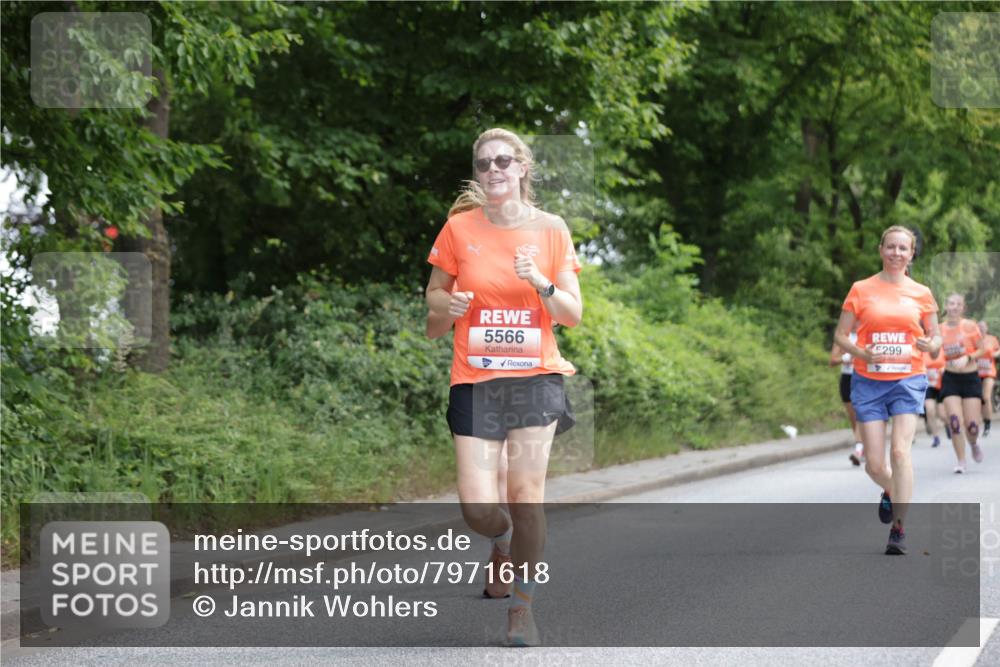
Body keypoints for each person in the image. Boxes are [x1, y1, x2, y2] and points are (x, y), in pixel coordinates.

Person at [424, 128, 583, 646]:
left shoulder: (552, 229)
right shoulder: (457, 229)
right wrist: (447, 309)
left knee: (525, 495)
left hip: (535, 378)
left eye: (503, 161)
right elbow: (431, 312)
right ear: (478, 170)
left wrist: (541, 282)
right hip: (475, 380)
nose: (493, 169)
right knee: (476, 506)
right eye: (484, 162)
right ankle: (503, 540)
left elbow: (573, 314)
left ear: (522, 169)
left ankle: (522, 608)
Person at [834, 226, 940, 555]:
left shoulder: (922, 293)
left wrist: (929, 343)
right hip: (868, 381)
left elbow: (936, 342)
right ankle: (893, 491)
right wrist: (862, 354)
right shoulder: (860, 289)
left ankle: (899, 528)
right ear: (881, 250)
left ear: (911, 254)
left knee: (900, 453)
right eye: (890, 247)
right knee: (875, 465)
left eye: (903, 248)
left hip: (908, 379)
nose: (896, 253)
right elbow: (840, 336)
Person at [939, 294, 987, 472]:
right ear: (946, 306)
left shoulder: (969, 326)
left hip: (970, 378)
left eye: (958, 304)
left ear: (963, 308)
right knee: (954, 421)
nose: (954, 307)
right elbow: (935, 353)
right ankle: (961, 461)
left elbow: (982, 349)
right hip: (950, 379)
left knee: (972, 426)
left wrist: (967, 357)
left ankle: (973, 443)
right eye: (951, 303)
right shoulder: (939, 329)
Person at [829, 332, 864, 465]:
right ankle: (862, 446)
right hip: (847, 378)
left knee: (861, 414)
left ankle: (858, 450)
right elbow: (832, 360)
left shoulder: (866, 332)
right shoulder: (843, 337)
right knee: (853, 417)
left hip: (862, 378)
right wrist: (846, 358)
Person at [977, 320, 999, 436]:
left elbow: (998, 350)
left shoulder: (992, 339)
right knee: (979, 399)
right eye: (979, 327)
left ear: (986, 328)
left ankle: (988, 424)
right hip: (976, 373)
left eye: (982, 327)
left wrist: (995, 354)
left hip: (989, 372)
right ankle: (984, 420)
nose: (980, 329)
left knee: (986, 396)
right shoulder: (974, 339)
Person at [923, 348, 946, 448]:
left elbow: (950, 362)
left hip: (942, 385)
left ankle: (948, 425)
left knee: (942, 414)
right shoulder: (923, 351)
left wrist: (944, 368)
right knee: (929, 411)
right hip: (929, 386)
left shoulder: (944, 350)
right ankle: (935, 437)